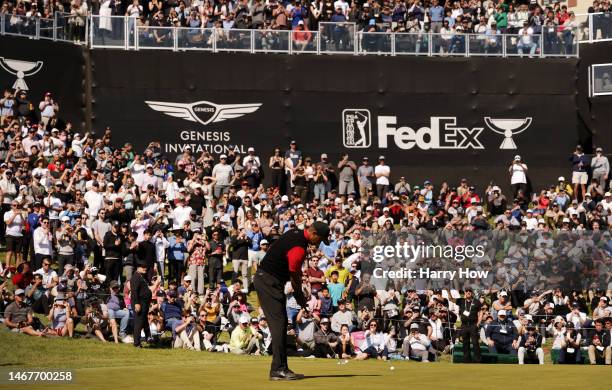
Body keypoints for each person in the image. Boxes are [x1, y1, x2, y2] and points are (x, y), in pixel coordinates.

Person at [253, 221, 329, 380]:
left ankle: (281, 368)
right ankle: (278, 370)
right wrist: (301, 298)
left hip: (269, 280)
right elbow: (294, 278)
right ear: (314, 234)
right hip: (268, 282)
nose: (320, 243)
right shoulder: (299, 248)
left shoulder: (295, 233)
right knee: (279, 325)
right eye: (320, 239)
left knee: (280, 324)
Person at [131, 259, 153, 347]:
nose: (145, 269)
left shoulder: (142, 276)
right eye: (143, 267)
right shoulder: (136, 277)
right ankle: (136, 343)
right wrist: (136, 303)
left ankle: (148, 337)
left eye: (146, 267)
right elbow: (134, 291)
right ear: (138, 268)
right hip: (139, 302)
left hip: (145, 303)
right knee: (138, 322)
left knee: (144, 321)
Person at [457, 288, 482, 363]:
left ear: (472, 293)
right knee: (465, 343)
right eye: (467, 291)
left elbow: (480, 312)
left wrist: (479, 322)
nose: (468, 292)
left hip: (473, 325)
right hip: (464, 325)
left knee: (475, 342)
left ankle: (477, 360)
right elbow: (451, 299)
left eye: (470, 291)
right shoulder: (461, 301)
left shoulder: (476, 302)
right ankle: (466, 360)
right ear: (465, 293)